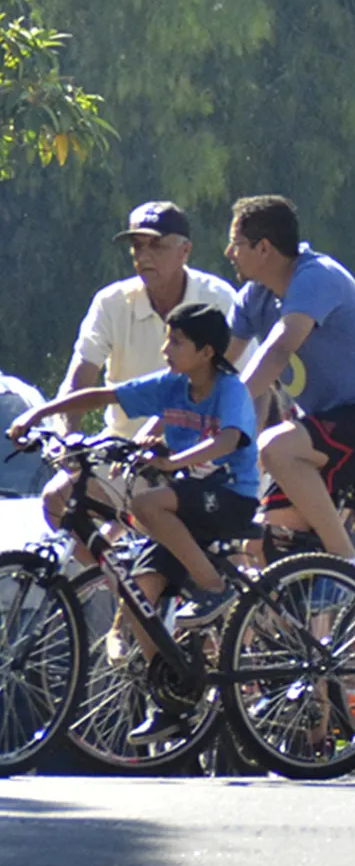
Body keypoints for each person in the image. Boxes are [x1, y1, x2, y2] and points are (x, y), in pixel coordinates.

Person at [10, 303, 258, 744]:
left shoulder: (228, 389)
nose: (165, 349)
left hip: (230, 498)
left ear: (206, 352)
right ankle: (171, 698)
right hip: (186, 506)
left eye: (176, 341)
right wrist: (37, 415)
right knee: (136, 597)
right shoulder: (172, 386)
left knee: (146, 503)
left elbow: (228, 440)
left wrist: (172, 461)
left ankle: (213, 588)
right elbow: (104, 396)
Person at [226, 197, 355, 560]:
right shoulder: (254, 297)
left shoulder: (316, 276)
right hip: (330, 427)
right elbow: (214, 365)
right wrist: (166, 422)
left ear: (264, 248)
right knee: (262, 544)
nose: (229, 253)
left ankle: (349, 564)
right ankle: (321, 590)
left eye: (236, 243)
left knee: (274, 447)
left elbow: (279, 349)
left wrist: (223, 410)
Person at [61, 201, 242, 441]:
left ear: (185, 251)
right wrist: (69, 438)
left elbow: (247, 383)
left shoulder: (219, 299)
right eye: (137, 246)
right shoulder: (111, 302)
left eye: (157, 245)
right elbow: (82, 373)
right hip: (122, 449)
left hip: (202, 450)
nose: (144, 256)